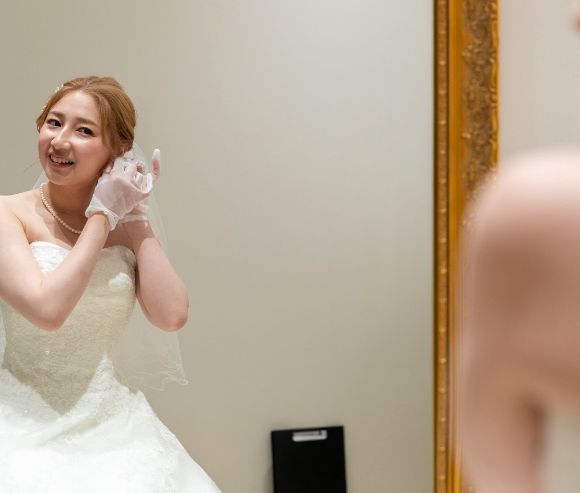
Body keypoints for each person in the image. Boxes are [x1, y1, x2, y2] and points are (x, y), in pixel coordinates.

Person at [0, 76, 221, 492]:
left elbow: (171, 316)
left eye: (83, 131)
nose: (59, 141)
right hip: (21, 421)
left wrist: (135, 219)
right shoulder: (8, 214)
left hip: (115, 423)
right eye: (53, 123)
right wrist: (102, 216)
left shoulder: (124, 224)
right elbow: (48, 311)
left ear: (117, 150)